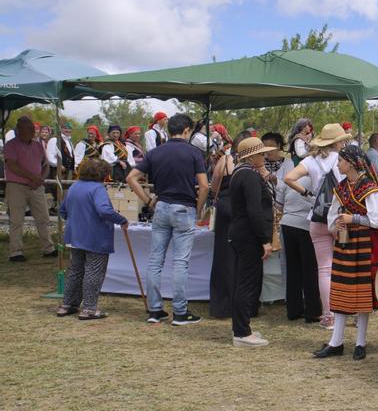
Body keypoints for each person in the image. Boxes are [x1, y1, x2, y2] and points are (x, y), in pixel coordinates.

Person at [127, 113, 209, 325]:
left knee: (155, 260)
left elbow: (131, 178)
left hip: (161, 206)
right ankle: (180, 312)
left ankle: (155, 310)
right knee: (180, 262)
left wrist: (147, 200)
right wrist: (198, 210)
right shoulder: (194, 153)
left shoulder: (155, 152)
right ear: (187, 131)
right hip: (184, 207)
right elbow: (205, 185)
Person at [313, 145, 378, 361]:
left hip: (365, 246)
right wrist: (336, 225)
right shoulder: (342, 187)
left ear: (352, 162)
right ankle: (336, 342)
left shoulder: (369, 187)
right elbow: (332, 215)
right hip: (346, 244)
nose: (338, 164)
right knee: (341, 291)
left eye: (341, 161)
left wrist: (353, 219)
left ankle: (360, 343)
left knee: (362, 294)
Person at [283, 123, 352, 330]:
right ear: (338, 142)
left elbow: (289, 178)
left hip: (318, 218)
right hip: (340, 219)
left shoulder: (310, 161)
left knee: (324, 269)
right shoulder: (343, 161)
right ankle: (349, 310)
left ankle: (328, 316)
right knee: (346, 266)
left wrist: (307, 194)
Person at [56, 159, 128, 320]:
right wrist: (121, 219)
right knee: (93, 271)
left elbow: (63, 210)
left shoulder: (74, 186)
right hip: (95, 236)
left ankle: (67, 304)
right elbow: (103, 210)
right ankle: (88, 308)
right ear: (102, 174)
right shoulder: (97, 188)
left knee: (75, 270)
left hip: (75, 235)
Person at [227, 137, 278, 347]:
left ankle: (242, 326)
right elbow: (254, 211)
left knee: (244, 281)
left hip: (241, 233)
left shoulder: (240, 173)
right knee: (247, 283)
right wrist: (264, 240)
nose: (264, 157)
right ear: (252, 156)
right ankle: (241, 331)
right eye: (260, 154)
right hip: (249, 235)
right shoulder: (248, 175)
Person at [276, 138, 321, 323]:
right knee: (310, 269)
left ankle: (293, 309)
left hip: (287, 223)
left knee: (292, 269)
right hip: (305, 224)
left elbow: (279, 204)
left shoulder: (289, 174)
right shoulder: (316, 176)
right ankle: (312, 310)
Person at [208, 132, 251, 318]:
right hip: (242, 209)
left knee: (222, 257)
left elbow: (214, 185)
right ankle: (239, 304)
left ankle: (221, 305)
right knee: (242, 257)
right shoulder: (250, 164)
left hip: (224, 207)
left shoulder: (225, 159)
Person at [4, 116, 56, 262]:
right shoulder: (11, 145)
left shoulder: (38, 145)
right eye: (29, 128)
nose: (33, 131)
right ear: (20, 129)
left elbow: (45, 164)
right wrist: (33, 177)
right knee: (16, 220)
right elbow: (12, 165)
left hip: (36, 186)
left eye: (33, 128)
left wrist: (40, 178)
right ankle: (15, 252)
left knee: (43, 218)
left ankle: (48, 248)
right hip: (16, 186)